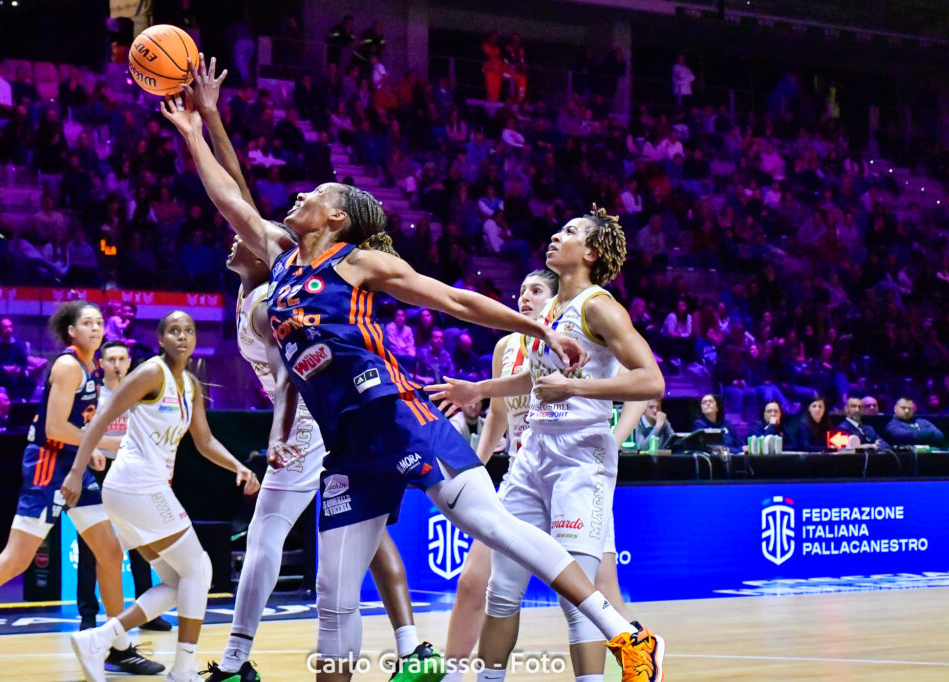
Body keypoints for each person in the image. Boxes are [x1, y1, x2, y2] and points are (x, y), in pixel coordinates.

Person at [162, 88, 664, 681]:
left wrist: (536, 326)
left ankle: (625, 634)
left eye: (315, 196)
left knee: (492, 526)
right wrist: (195, 132)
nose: (298, 197)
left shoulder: (359, 264)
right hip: (345, 447)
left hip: (398, 418)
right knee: (333, 596)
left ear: (338, 218)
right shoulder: (278, 258)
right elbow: (231, 201)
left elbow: (454, 299)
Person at [182, 57, 432, 680]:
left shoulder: (278, 282)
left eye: (247, 230)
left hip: (312, 418)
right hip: (312, 415)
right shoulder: (255, 288)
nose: (236, 233)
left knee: (275, 536)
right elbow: (234, 199)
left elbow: (235, 192)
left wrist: (208, 119)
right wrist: (205, 119)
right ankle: (412, 649)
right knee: (368, 542)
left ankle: (238, 658)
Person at [429, 208, 666, 682]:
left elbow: (652, 381)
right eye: (559, 230)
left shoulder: (600, 306)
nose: (557, 236)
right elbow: (533, 379)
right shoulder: (553, 312)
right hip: (532, 454)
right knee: (502, 588)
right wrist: (480, 390)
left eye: (572, 233)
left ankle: (615, 664)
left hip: (580, 456)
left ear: (592, 253)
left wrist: (576, 389)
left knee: (575, 595)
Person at [0, 302, 161, 677]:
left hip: (72, 465)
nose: (96, 328)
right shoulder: (68, 366)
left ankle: (118, 644)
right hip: (48, 466)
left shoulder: (92, 366)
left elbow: (76, 427)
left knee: (110, 551)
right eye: (88, 323)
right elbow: (54, 428)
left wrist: (87, 456)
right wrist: (102, 447)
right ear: (71, 330)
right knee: (16, 559)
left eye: (99, 323)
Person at [62, 311, 261, 682]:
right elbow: (102, 417)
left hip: (138, 491)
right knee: (199, 570)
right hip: (136, 485)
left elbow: (204, 441)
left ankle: (101, 638)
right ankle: (182, 670)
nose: (182, 336)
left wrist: (239, 466)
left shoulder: (189, 385)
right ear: (161, 339)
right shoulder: (152, 372)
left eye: (189, 331)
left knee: (179, 580)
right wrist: (76, 471)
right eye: (174, 331)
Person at [76, 340, 171, 633]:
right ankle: (88, 615)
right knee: (90, 547)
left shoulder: (140, 393)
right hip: (98, 472)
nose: (116, 364)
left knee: (140, 542)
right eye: (111, 359)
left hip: (131, 473)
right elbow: (78, 429)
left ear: (129, 362)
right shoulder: (92, 394)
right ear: (101, 363)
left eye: (121, 358)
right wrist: (89, 450)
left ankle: (146, 612)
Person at [0, 317, 37, 402]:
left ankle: (23, 403)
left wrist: (19, 369)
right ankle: (14, 403)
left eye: (10, 327)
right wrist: (3, 368)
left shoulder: (17, 344)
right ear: (0, 329)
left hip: (15, 373)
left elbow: (23, 362)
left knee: (31, 382)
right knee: (11, 379)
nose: (8, 330)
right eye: (5, 327)